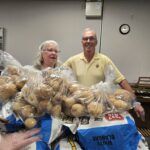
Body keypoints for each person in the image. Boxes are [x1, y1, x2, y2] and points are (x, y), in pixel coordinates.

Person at [63, 27, 145, 120]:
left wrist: (135, 103)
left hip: (99, 107)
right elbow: (58, 74)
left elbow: (121, 80)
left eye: (91, 38)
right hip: (78, 106)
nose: (88, 41)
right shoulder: (73, 60)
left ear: (96, 42)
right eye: (85, 39)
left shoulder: (104, 60)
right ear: (82, 42)